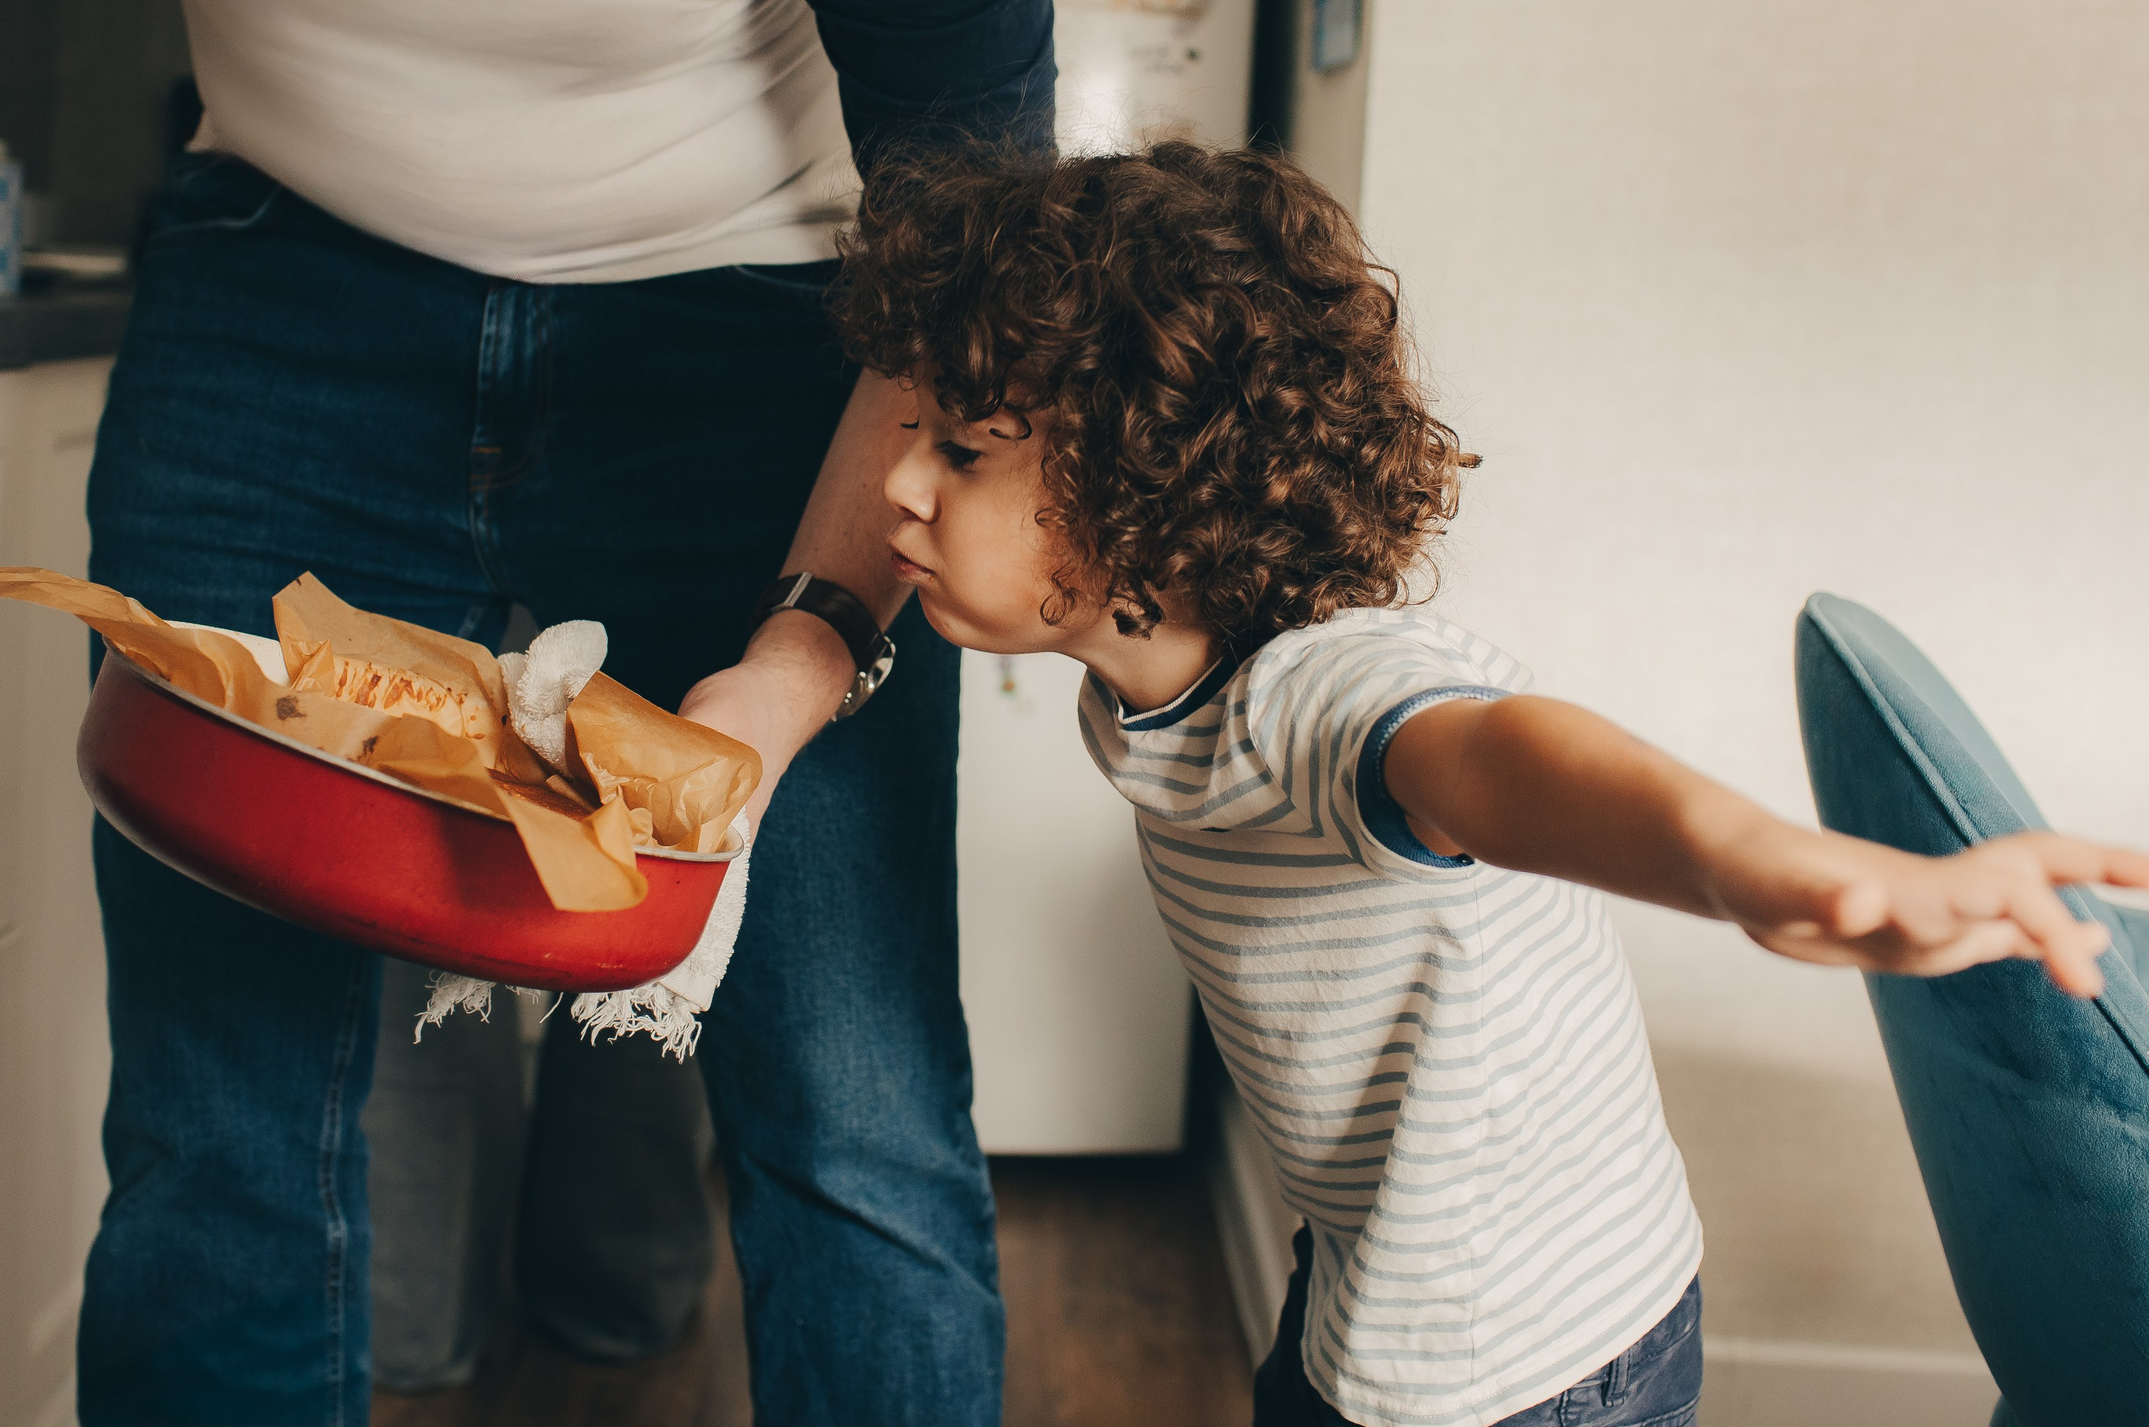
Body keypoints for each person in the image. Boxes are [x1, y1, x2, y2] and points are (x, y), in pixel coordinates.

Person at [0, 0, 1053, 1421]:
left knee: (853, 1113)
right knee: (223, 1130)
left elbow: (977, 273)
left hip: (776, 339)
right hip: (285, 296)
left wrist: (800, 654)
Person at [829, 141, 2149, 1427]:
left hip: (1524, 1351)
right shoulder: (1136, 691)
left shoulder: (1321, 692)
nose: (894, 484)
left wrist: (1756, 865)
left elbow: (1495, 758)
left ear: (1150, 476)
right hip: (1377, 1265)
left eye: (963, 448)